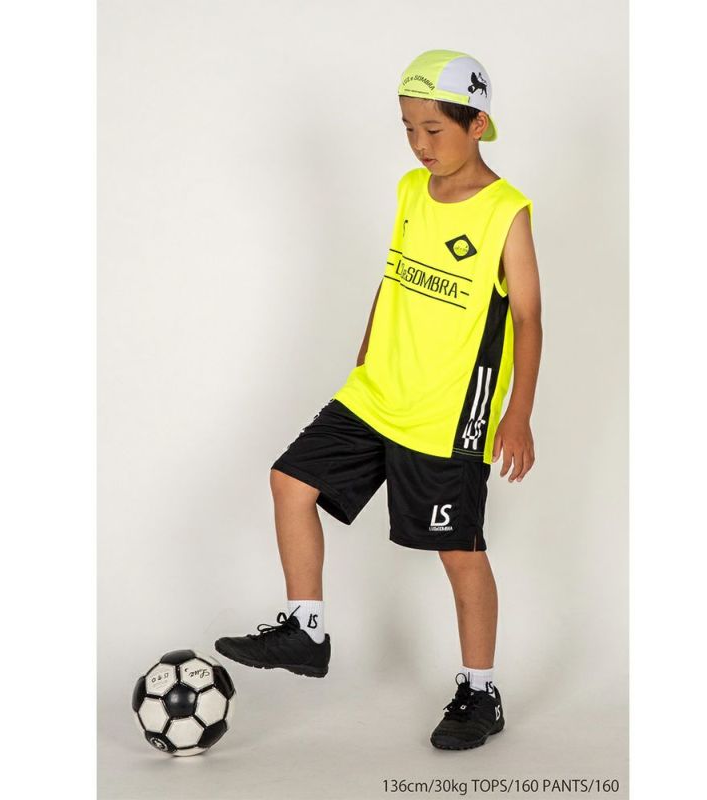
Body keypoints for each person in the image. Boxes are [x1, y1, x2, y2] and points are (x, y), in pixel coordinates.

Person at [215, 49, 542, 751]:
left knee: (458, 552)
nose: (420, 145)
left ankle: (480, 692)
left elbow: (527, 317)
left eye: (434, 130)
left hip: (447, 413)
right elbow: (393, 274)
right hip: (376, 391)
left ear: (477, 124)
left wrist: (518, 413)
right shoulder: (410, 190)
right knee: (290, 481)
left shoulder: (505, 213)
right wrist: (367, 344)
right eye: (409, 129)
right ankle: (305, 631)